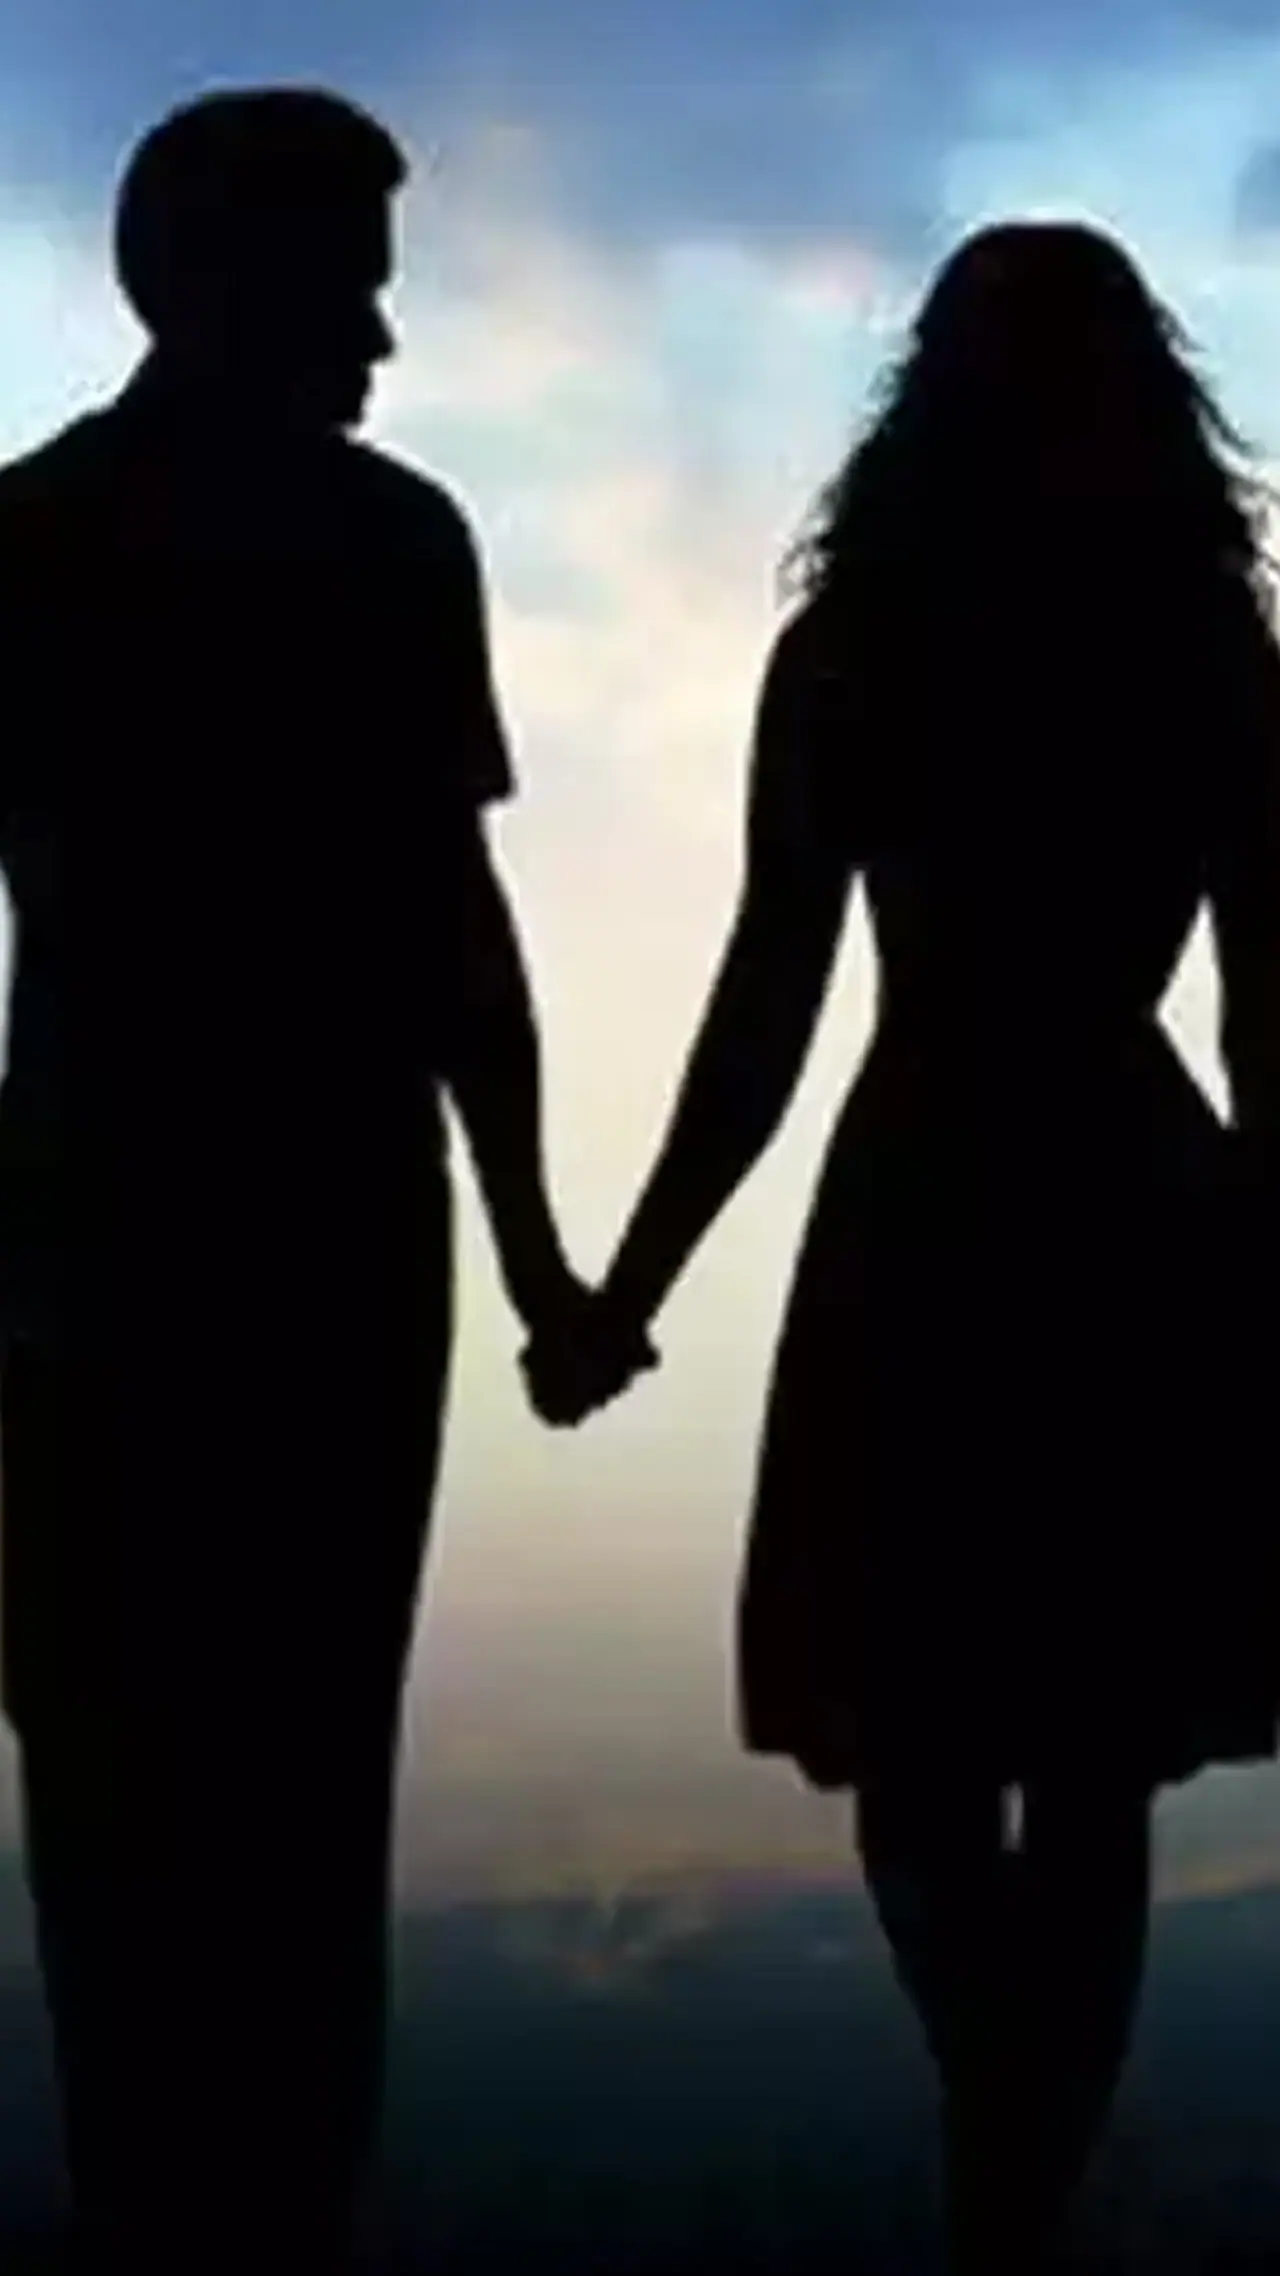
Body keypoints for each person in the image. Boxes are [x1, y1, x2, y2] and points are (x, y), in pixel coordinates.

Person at [524, 219, 1280, 2271]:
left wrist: (623, 1290)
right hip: (1133, 1200)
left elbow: (766, 1007)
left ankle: (999, 2183)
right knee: (1091, 1750)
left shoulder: (862, 644)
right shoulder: (1202, 642)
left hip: (929, 1196)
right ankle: (1017, 2190)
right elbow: (1266, 1009)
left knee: (935, 1744)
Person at [0, 86, 650, 2274]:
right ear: (217, 278)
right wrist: (547, 1269)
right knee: (274, 1786)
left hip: (135, 1249)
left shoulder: (49, 540)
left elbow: (456, 940)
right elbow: (458, 944)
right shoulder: (370, 548)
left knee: (141, 1793)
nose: (380, 333)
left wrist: (541, 1266)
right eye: (349, 283)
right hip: (284, 1250)